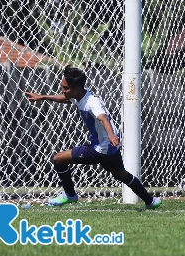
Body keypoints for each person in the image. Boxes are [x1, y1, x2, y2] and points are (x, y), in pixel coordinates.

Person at [25, 65, 161, 209]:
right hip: (110, 148)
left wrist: (110, 135)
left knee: (58, 159)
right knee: (120, 174)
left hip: (101, 148)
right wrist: (43, 97)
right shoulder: (79, 95)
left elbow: (103, 118)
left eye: (66, 88)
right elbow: (65, 98)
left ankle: (70, 195)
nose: (63, 91)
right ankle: (150, 201)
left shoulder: (92, 102)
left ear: (77, 87)